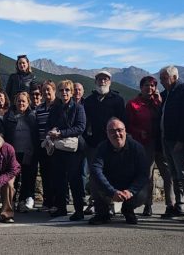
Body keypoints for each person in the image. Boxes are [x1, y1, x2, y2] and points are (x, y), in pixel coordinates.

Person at [126, 76, 174, 217]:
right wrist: (139, 132)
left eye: (153, 85)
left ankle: (171, 205)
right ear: (141, 87)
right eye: (147, 85)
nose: (150, 88)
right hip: (144, 144)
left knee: (168, 174)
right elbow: (128, 125)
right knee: (148, 176)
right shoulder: (132, 104)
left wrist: (159, 103)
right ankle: (148, 205)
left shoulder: (160, 102)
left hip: (161, 143)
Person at [88, 118, 150, 225]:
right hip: (110, 184)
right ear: (106, 133)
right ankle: (102, 213)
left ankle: (128, 210)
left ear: (125, 131)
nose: (117, 134)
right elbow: (96, 170)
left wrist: (131, 191)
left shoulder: (137, 148)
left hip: (130, 185)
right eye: (112, 131)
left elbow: (143, 174)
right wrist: (111, 191)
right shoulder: (102, 148)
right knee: (93, 180)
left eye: (119, 130)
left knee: (146, 187)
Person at [159, 65, 184, 223]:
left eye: (164, 78)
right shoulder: (169, 93)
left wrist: (182, 140)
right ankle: (180, 206)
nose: (161, 81)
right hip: (167, 140)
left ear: (174, 77)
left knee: (183, 175)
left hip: (178, 142)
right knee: (175, 175)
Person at [82, 71, 125, 215]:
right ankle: (94, 202)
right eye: (100, 79)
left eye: (105, 79)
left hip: (112, 144)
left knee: (112, 173)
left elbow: (123, 122)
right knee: (94, 174)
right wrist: (87, 139)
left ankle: (112, 203)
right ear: (95, 82)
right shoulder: (89, 101)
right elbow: (84, 123)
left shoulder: (118, 100)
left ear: (110, 82)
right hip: (94, 143)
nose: (102, 81)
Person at [45, 80, 87, 221]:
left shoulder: (78, 108)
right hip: (59, 149)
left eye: (67, 90)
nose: (64, 93)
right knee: (59, 180)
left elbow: (80, 127)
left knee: (75, 180)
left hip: (74, 150)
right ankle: (61, 208)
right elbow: (49, 125)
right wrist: (51, 132)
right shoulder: (55, 108)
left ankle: (79, 210)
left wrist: (61, 133)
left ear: (72, 92)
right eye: (62, 90)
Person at [3, 92, 39, 212]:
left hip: (28, 151)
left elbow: (36, 135)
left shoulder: (32, 116)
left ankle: (24, 200)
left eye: (23, 101)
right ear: (15, 102)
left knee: (28, 177)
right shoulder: (9, 116)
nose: (21, 103)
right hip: (13, 153)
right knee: (14, 178)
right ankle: (11, 201)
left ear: (28, 103)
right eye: (19, 101)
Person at [34, 81, 57, 211]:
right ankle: (47, 202)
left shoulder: (58, 106)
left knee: (56, 175)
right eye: (44, 90)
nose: (46, 93)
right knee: (45, 174)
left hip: (55, 146)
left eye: (49, 90)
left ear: (54, 90)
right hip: (43, 146)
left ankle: (56, 202)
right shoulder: (39, 108)